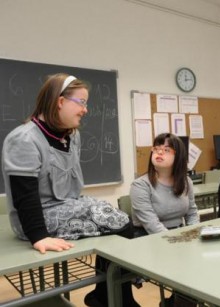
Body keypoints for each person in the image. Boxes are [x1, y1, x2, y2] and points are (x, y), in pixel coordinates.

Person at [1, 73, 139, 306]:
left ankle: (105, 295)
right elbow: (25, 196)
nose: (85, 110)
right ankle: (111, 297)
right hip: (35, 220)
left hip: (66, 205)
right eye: (81, 102)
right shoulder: (24, 139)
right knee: (118, 221)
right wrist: (39, 236)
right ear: (60, 101)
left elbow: (71, 188)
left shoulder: (72, 136)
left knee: (119, 218)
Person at [130, 133, 199, 236]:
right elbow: (152, 225)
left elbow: (192, 214)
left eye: (166, 150)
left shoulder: (186, 181)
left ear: (178, 156)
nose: (160, 152)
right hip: (149, 238)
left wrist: (194, 234)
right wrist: (178, 241)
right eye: (156, 149)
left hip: (179, 235)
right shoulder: (140, 185)